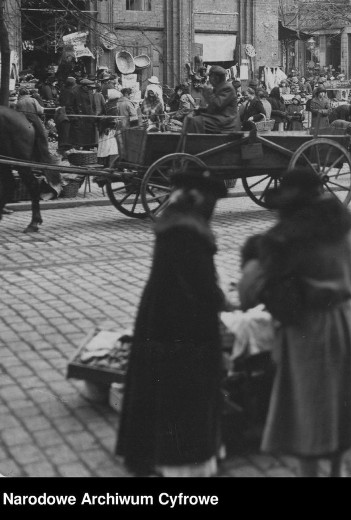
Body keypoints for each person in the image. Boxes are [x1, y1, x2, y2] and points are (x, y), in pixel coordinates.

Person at [236, 168, 351, 477]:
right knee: (340, 406)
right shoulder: (341, 224)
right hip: (344, 323)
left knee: (309, 408)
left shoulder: (284, 239)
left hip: (308, 329)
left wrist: (253, 258)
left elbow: (246, 293)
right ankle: (338, 472)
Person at [116, 169, 228, 477]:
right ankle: (181, 461)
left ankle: (146, 455)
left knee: (152, 385)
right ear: (198, 199)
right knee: (182, 392)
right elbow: (200, 286)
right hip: (184, 325)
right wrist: (221, 300)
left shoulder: (174, 223)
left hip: (158, 315)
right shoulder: (189, 232)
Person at [184, 65, 241, 134]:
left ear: (215, 78)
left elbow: (217, 105)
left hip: (227, 121)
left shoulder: (227, 88)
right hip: (221, 117)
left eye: (210, 77)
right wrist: (200, 110)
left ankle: (197, 142)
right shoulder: (219, 87)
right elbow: (214, 107)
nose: (209, 80)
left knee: (195, 121)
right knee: (192, 118)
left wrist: (208, 92)